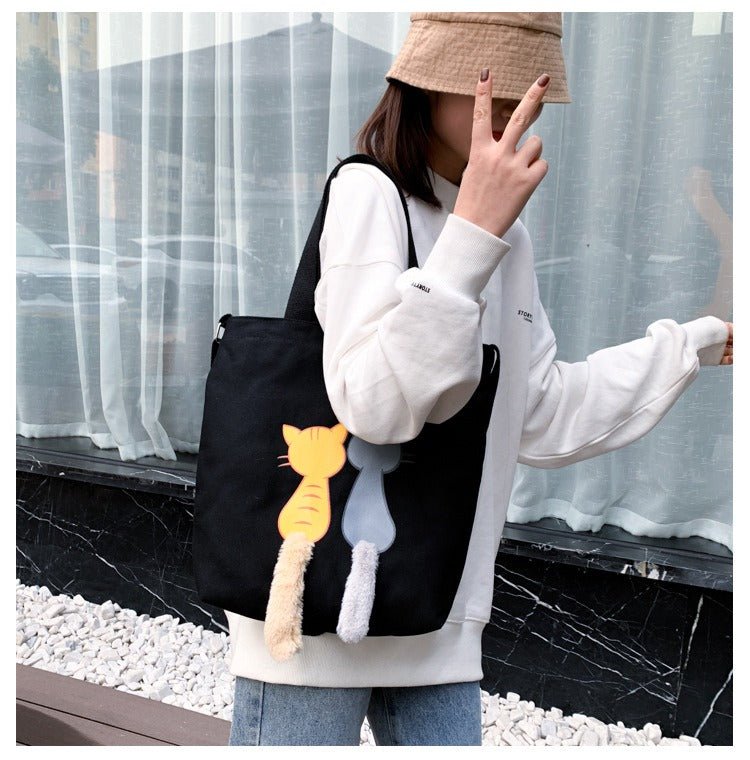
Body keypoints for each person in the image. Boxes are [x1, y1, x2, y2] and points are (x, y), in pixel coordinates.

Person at [226, 12, 733, 746]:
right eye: (492, 85)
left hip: (440, 609)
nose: (515, 111)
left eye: (533, 93)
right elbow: (372, 406)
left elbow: (542, 415)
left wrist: (690, 345)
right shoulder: (370, 193)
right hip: (317, 617)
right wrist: (472, 238)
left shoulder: (505, 236)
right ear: (427, 86)